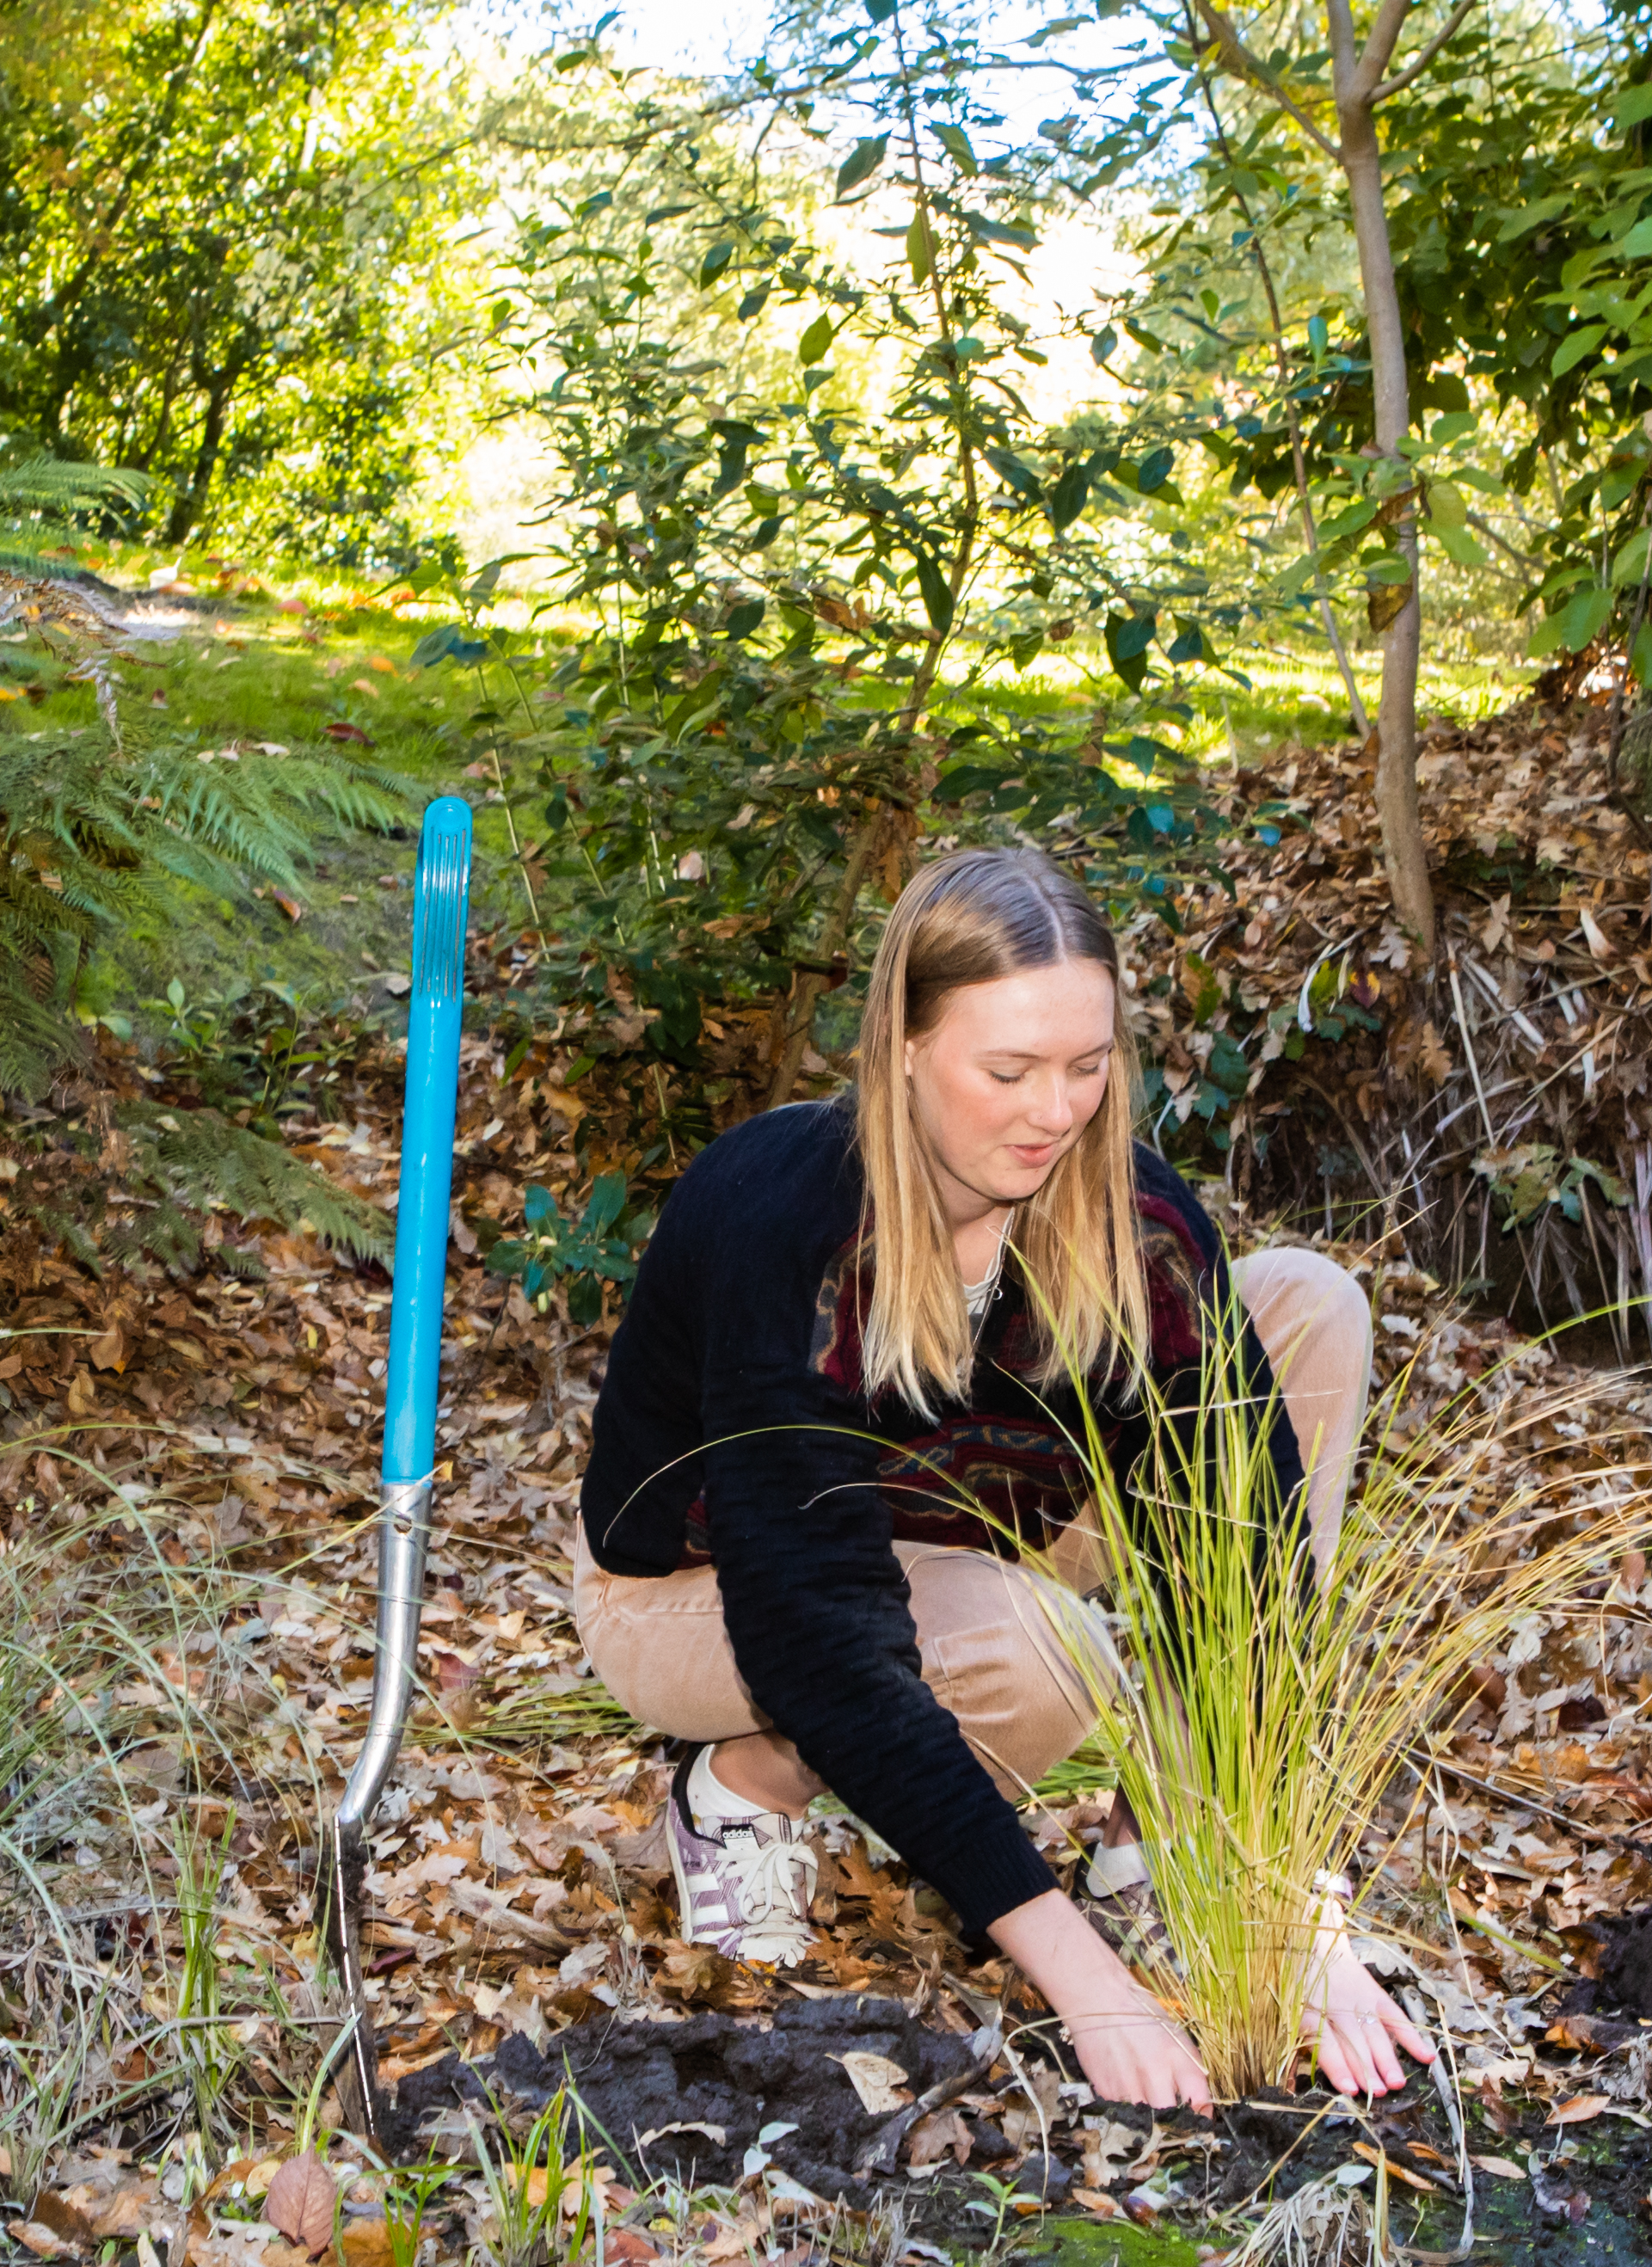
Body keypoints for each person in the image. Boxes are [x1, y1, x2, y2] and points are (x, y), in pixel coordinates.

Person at [564, 844, 1416, 2109]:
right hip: (700, 1590)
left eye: (1087, 1068)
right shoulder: (786, 1219)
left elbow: (1246, 1553)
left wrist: (1288, 1896)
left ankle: (1165, 1846)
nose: (1052, 1112)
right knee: (1040, 1655)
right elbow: (819, 1636)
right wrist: (1083, 1981)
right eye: (1008, 1070)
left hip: (986, 1519)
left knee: (1306, 1312)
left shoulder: (1123, 1204)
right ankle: (741, 1788)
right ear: (904, 1047)